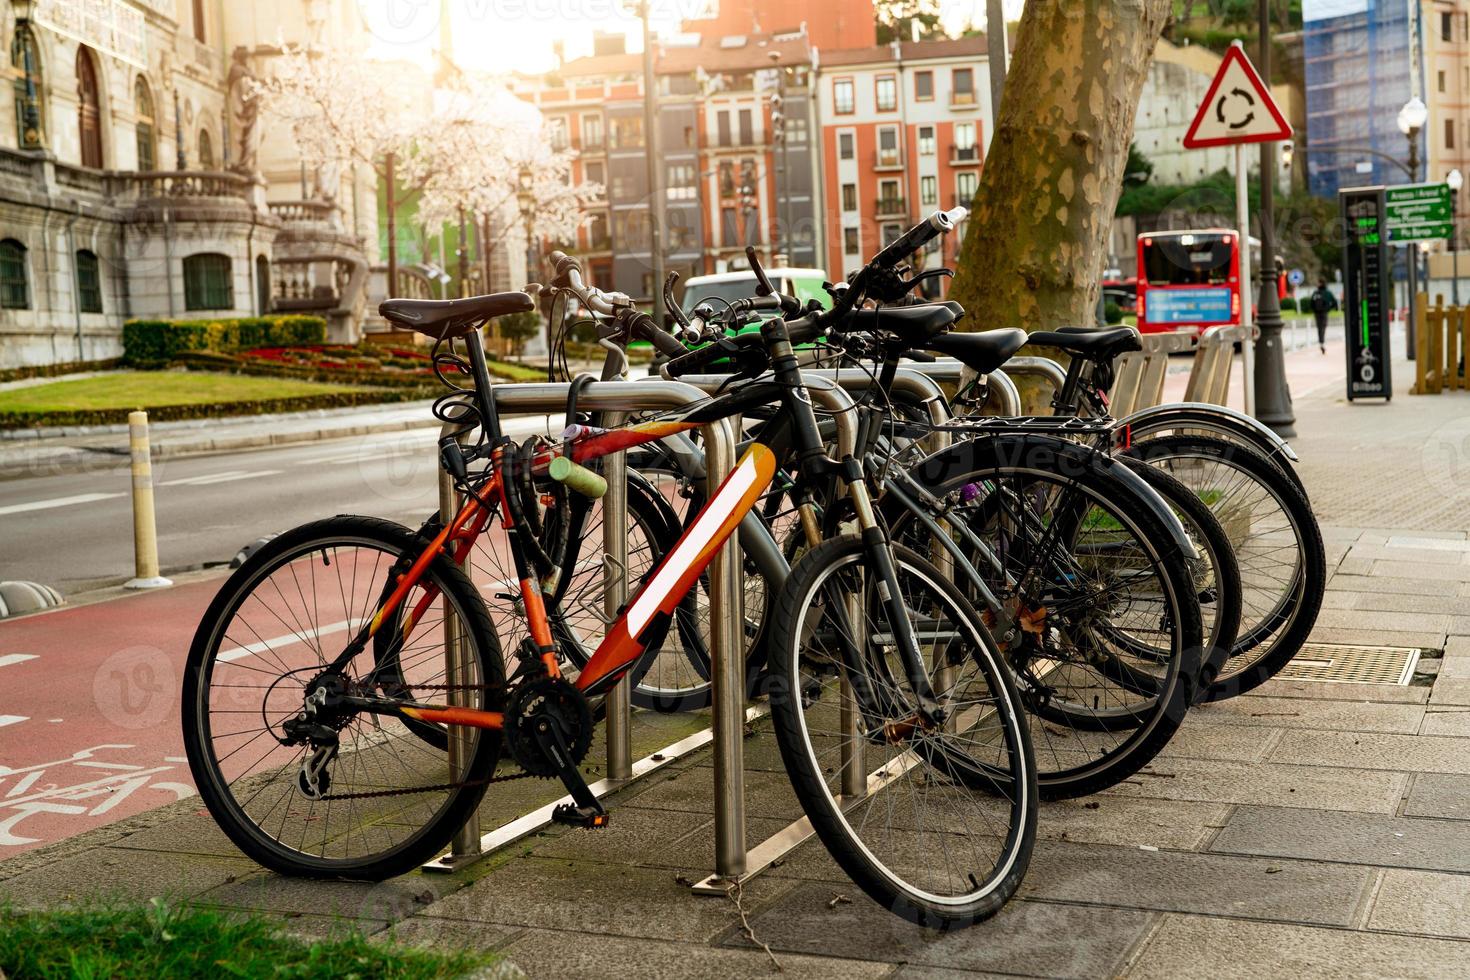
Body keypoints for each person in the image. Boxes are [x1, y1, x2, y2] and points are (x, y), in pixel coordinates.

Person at [1310, 279, 1339, 353]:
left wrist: (1314, 310)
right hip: (1324, 313)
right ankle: (1322, 342)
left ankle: (1321, 342)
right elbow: (1334, 302)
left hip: (1317, 313)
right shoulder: (1327, 293)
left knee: (1320, 328)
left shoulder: (1316, 293)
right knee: (1322, 327)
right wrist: (1328, 309)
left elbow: (1311, 303)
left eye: (1318, 283)